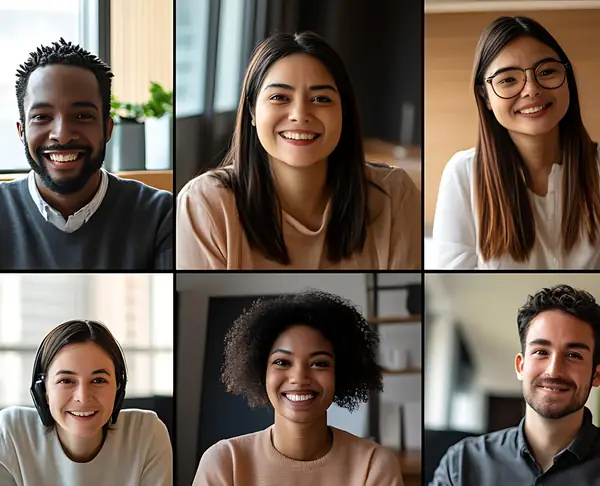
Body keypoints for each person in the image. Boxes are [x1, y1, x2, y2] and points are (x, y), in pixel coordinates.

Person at [177, 31, 420, 270]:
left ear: (344, 112)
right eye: (280, 97)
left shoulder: (394, 196)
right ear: (251, 111)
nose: (300, 115)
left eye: (321, 99)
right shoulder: (205, 204)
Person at [182, 291, 413, 486]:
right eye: (282, 362)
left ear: (340, 374)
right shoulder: (223, 462)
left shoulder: (374, 466)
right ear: (261, 371)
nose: (299, 378)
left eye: (319, 363)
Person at [424, 284, 600, 486]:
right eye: (540, 351)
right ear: (520, 366)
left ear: (596, 374)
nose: (554, 370)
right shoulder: (461, 464)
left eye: (574, 355)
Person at [431, 16, 600, 269]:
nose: (531, 89)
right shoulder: (463, 174)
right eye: (508, 79)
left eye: (546, 71)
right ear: (485, 97)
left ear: (567, 78)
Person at [0, 40, 172, 271]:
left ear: (108, 128)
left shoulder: (161, 215)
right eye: (42, 117)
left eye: (82, 116)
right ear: (22, 131)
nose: (61, 135)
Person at [0, 319, 172, 486]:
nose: (83, 397)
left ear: (118, 388)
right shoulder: (11, 433)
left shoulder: (147, 433)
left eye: (99, 380)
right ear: (42, 390)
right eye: (66, 381)